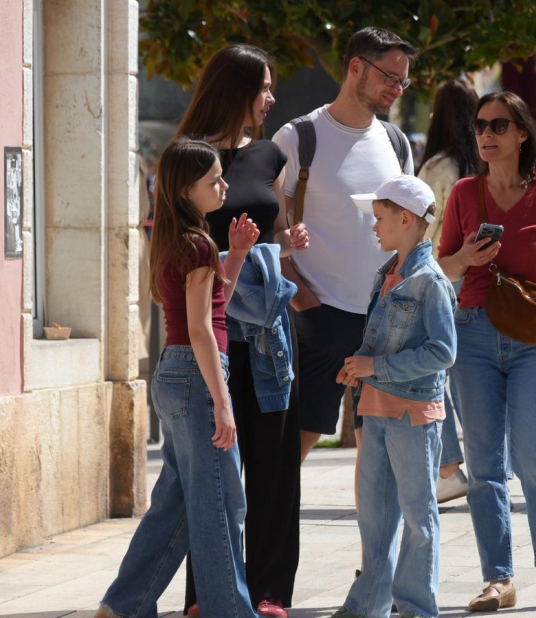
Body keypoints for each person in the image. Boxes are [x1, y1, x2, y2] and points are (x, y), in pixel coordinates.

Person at [96, 139, 262, 618]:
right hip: (197, 374)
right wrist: (223, 402)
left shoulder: (179, 240)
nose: (224, 186)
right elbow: (201, 329)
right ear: (187, 189)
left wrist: (237, 255)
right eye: (214, 180)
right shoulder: (197, 243)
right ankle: (230, 611)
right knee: (221, 504)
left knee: (177, 504)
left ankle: (123, 606)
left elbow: (214, 308)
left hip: (175, 373)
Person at [172, 44, 308, 618]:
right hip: (213, 333)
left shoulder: (271, 155)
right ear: (237, 89)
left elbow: (272, 236)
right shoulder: (187, 157)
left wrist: (285, 245)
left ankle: (271, 592)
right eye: (264, 87)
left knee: (274, 468)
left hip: (271, 336)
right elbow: (173, 243)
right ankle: (207, 593)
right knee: (213, 474)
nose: (272, 98)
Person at [439, 91, 536, 613]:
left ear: (522, 133)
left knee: (535, 455)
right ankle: (499, 579)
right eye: (480, 125)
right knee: (483, 464)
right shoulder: (464, 193)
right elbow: (442, 269)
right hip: (473, 333)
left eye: (498, 125)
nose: (486, 135)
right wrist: (466, 256)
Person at [272, 27, 416, 464]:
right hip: (322, 315)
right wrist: (307, 305)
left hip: (387, 315)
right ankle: (265, 512)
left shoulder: (396, 142)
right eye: (390, 77)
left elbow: (411, 230)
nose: (397, 89)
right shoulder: (298, 138)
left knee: (383, 448)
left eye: (403, 81)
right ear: (356, 67)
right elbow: (272, 235)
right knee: (300, 438)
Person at [330, 176, 456, 618]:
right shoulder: (388, 274)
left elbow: (443, 352)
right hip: (377, 408)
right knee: (375, 519)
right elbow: (383, 341)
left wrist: (376, 367)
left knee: (419, 517)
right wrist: (359, 365)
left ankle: (417, 608)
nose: (374, 226)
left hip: (413, 416)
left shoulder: (429, 280)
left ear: (405, 219)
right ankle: (368, 607)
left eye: (380, 217)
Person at [417, 78, 481, 503]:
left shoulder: (438, 169)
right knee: (477, 377)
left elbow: (423, 231)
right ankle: (489, 466)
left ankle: (449, 468)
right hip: (486, 280)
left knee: (431, 372)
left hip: (443, 278)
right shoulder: (489, 165)